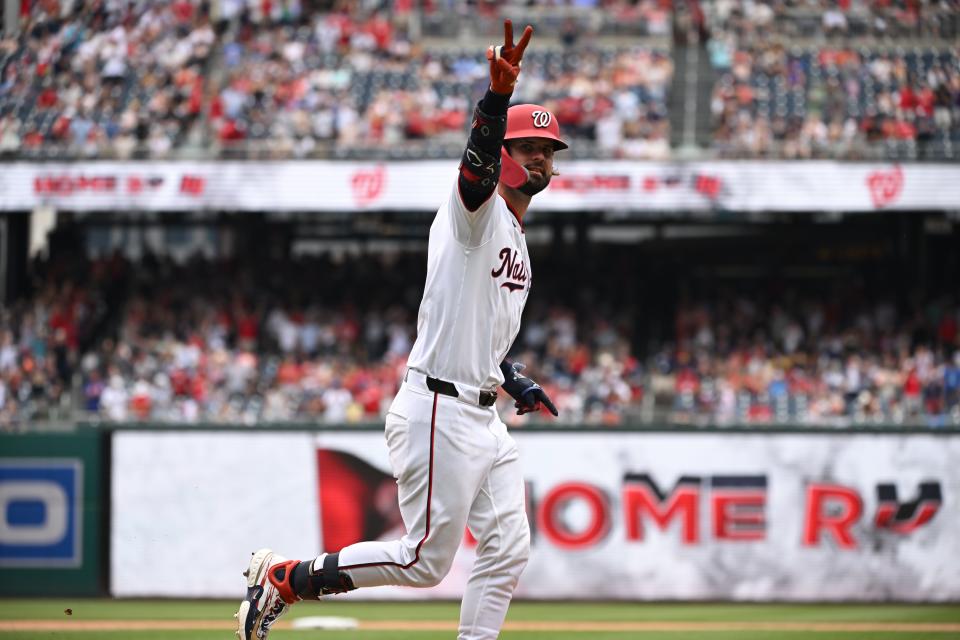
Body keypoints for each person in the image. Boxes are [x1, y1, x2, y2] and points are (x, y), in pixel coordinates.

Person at [235, 20, 566, 640]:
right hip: (439, 406)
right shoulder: (478, 212)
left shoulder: (515, 234)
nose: (544, 159)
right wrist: (495, 103)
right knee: (424, 561)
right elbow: (474, 171)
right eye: (532, 149)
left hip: (479, 409)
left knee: (508, 547)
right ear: (504, 156)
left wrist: (513, 379)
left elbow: (478, 325)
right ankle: (287, 578)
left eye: (549, 150)